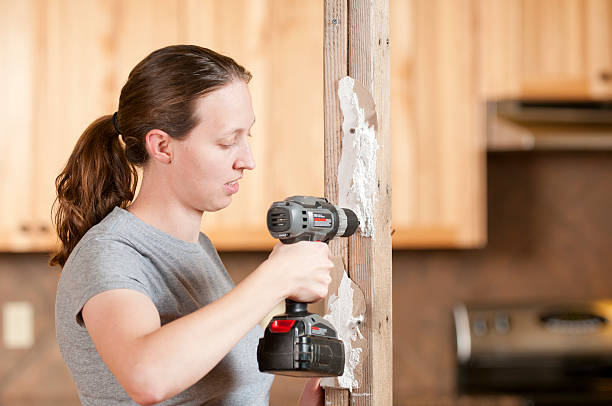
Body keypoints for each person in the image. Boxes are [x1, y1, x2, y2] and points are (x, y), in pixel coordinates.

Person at [51, 44, 333, 406]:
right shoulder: (108, 253)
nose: (247, 160)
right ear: (163, 146)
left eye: (247, 137)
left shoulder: (198, 249)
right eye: (227, 141)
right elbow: (147, 377)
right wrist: (276, 279)